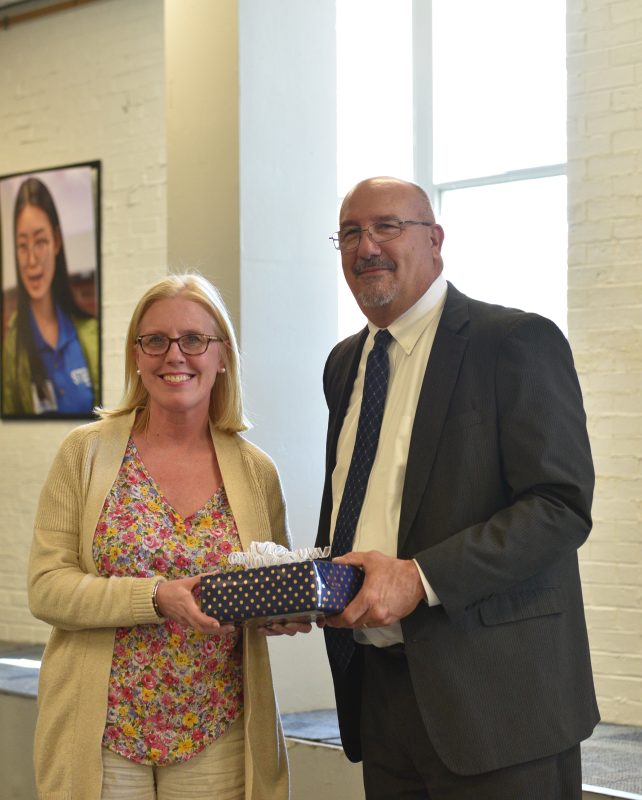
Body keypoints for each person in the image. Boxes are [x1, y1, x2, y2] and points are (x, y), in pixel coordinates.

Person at [286, 176, 598, 799]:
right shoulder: (344, 363)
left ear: (435, 240)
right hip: (379, 695)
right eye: (350, 233)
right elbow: (361, 508)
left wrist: (420, 577)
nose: (366, 245)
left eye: (387, 227)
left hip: (499, 706)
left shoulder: (512, 342)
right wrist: (312, 589)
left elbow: (560, 508)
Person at [28, 273, 290, 800]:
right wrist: (154, 597)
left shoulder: (256, 472)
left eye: (194, 339)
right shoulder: (85, 454)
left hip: (217, 732)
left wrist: (284, 608)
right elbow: (46, 588)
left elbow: (266, 583)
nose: (175, 355)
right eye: (156, 340)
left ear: (222, 358)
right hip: (104, 733)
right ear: (137, 355)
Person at [2, 176, 99, 416]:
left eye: (41, 241)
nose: (32, 260)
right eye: (23, 245)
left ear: (56, 241)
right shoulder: (13, 348)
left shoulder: (89, 333)